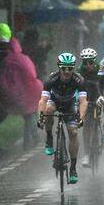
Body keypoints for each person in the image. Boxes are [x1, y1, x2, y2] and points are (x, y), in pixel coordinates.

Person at [38, 53, 88, 184]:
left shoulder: (79, 80)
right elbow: (43, 100)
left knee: (73, 132)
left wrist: (81, 118)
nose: (67, 72)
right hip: (55, 102)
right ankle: (49, 138)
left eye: (70, 68)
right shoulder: (51, 79)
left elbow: (83, 102)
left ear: (73, 68)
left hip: (70, 105)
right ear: (59, 67)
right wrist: (41, 117)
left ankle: (73, 168)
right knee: (48, 110)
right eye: (64, 68)